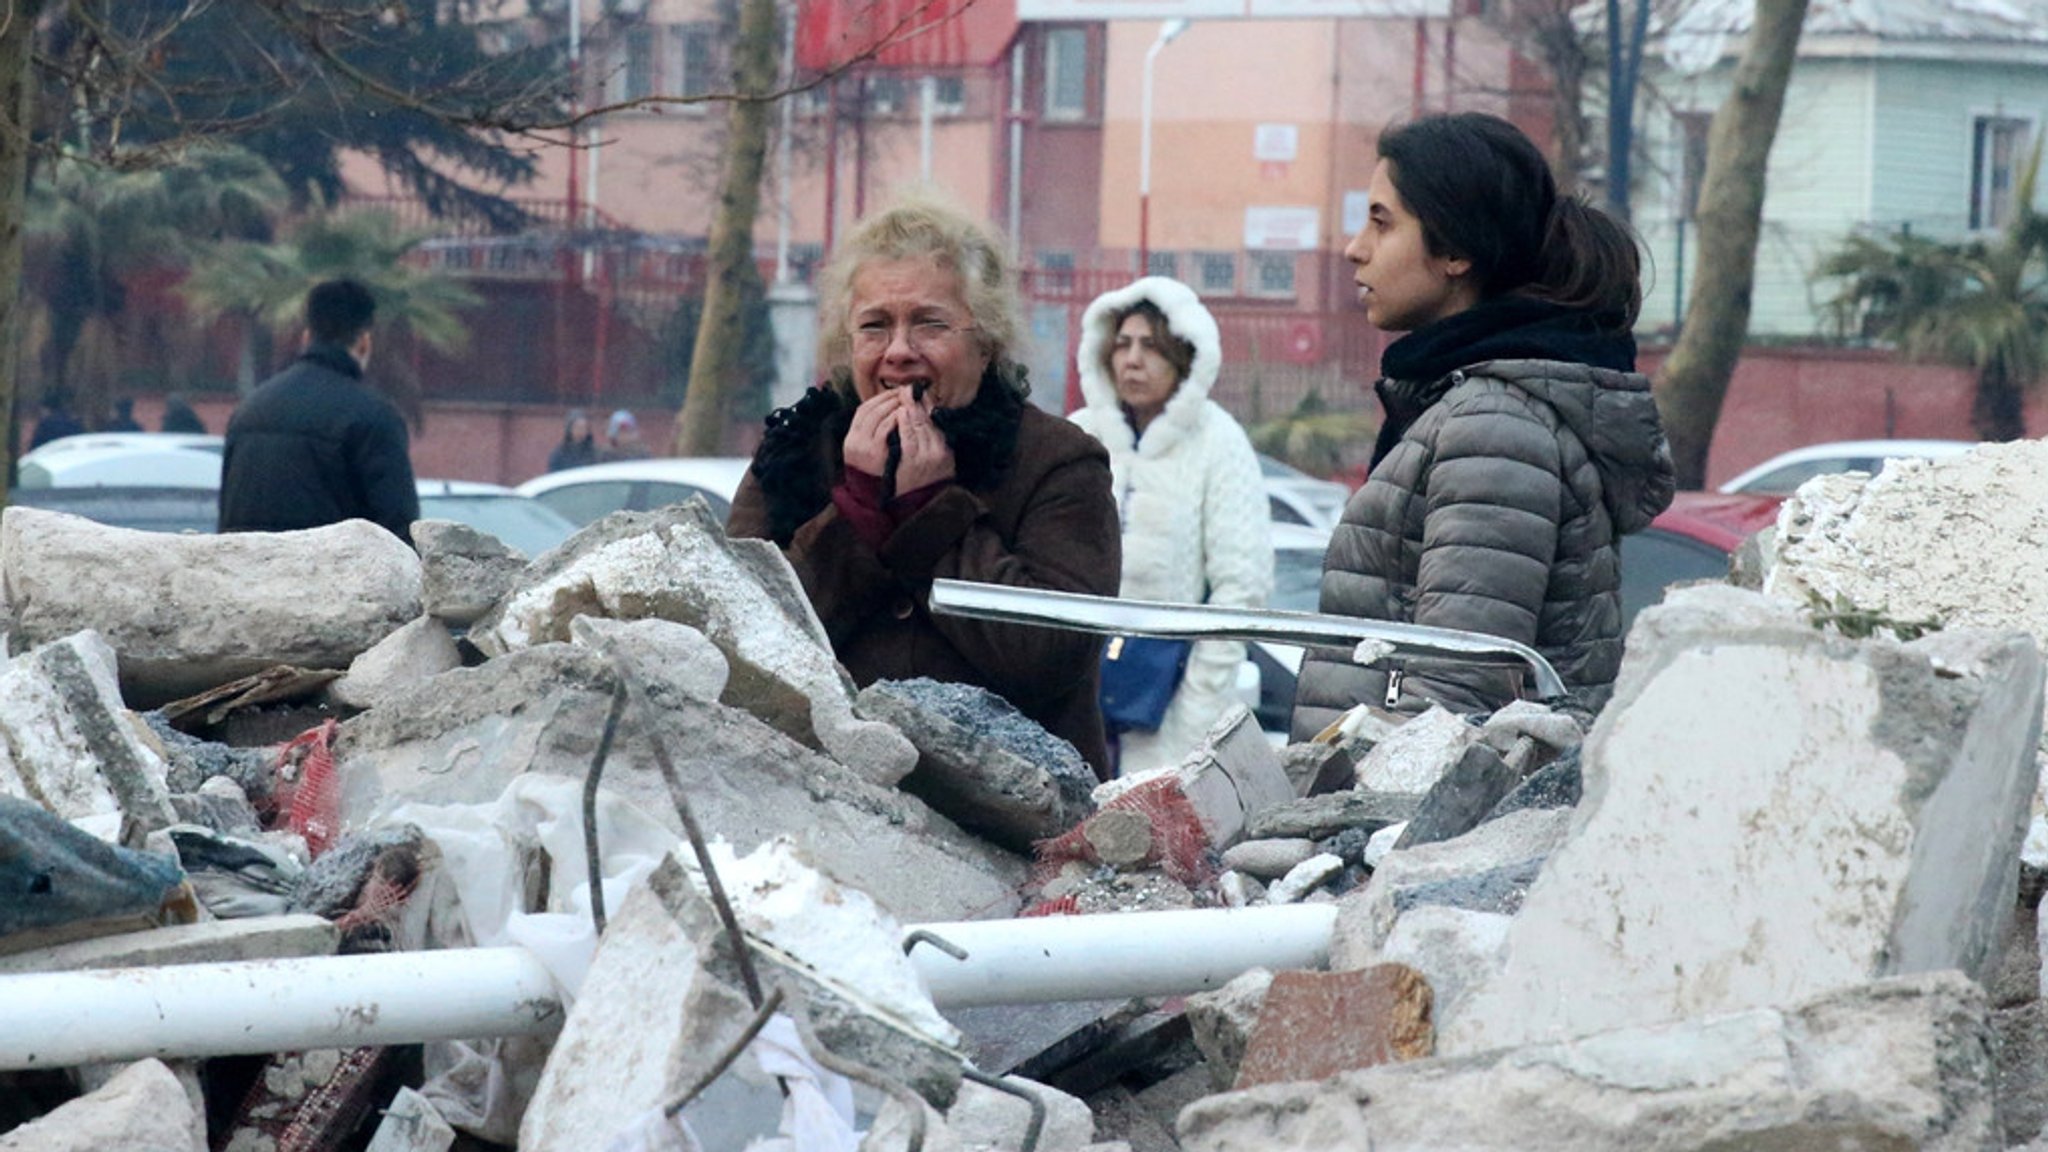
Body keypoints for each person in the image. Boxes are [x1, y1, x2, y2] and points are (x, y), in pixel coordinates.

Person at [1290, 112, 1676, 741]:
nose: (1355, 247)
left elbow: (1451, 702)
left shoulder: (1494, 427)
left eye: (1382, 222)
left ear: (1457, 252)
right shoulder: (1465, 406)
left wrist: (1359, 825)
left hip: (1425, 824)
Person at [728, 195, 1123, 779]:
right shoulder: (794, 452)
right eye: (875, 325)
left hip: (1014, 822)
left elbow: (1051, 657)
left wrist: (930, 512)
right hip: (818, 804)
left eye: (930, 323)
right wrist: (856, 511)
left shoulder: (1058, 461)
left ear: (985, 342)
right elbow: (742, 637)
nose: (899, 352)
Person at [1070, 277, 1273, 775]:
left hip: (1168, 716)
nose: (1132, 359)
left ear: (1184, 356)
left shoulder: (1218, 442)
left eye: (1150, 346)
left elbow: (1241, 590)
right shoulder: (1078, 434)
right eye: (1121, 343)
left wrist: (1191, 724)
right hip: (1072, 698)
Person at [218, 278, 420, 542]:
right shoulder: (374, 416)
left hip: (248, 576)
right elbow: (398, 529)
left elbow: (227, 518)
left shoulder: (248, 411)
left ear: (306, 337)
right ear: (363, 342)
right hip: (329, 578)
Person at [548, 408, 599, 472]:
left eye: (584, 427)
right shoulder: (560, 454)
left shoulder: (594, 453)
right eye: (578, 427)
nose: (581, 431)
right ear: (569, 429)